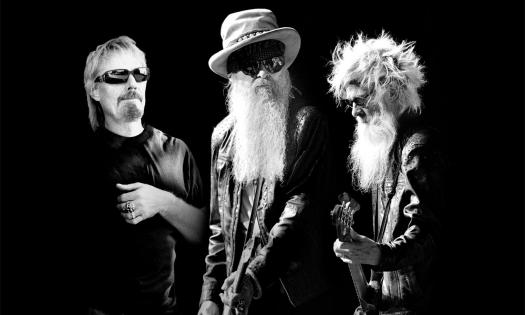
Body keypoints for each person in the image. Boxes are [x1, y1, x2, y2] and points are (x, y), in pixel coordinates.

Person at [198, 8, 340, 315]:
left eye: (272, 62)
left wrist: (252, 277)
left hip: (291, 296)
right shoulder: (221, 136)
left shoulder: (307, 124)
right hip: (235, 297)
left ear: (284, 66)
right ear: (233, 75)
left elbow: (298, 211)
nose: (263, 74)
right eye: (250, 66)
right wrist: (210, 293)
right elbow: (218, 226)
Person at [82, 35, 206, 315]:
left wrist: (163, 202)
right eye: (117, 75)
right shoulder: (83, 159)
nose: (132, 84)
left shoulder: (177, 151)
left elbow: (204, 232)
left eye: (140, 74)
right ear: (95, 90)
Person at [328, 32, 445, 314]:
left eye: (360, 100)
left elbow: (429, 234)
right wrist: (374, 293)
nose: (354, 111)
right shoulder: (386, 148)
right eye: (350, 103)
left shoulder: (418, 148)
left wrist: (379, 254)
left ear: (391, 90)